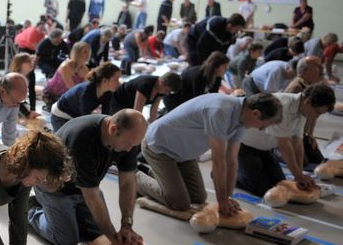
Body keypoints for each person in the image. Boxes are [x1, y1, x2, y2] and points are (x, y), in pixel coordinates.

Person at [136, 93, 281, 214]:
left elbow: (231, 161)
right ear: (256, 113)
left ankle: (156, 175)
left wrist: (228, 197)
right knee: (180, 203)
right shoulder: (220, 110)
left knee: (198, 197)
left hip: (184, 154)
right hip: (160, 147)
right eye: (264, 125)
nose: (262, 129)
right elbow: (218, 162)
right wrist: (221, 200)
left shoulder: (242, 121)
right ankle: (137, 179)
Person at [29, 109, 146, 245]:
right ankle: (30, 208)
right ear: (113, 129)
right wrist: (113, 236)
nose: (129, 150)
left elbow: (127, 182)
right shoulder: (82, 139)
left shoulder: (129, 138)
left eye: (133, 145)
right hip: (55, 188)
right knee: (66, 241)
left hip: (83, 187)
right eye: (128, 144)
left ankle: (65, 215)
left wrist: (127, 224)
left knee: (98, 234)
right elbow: (92, 197)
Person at [237, 84, 333, 196]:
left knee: (281, 185)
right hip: (243, 147)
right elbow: (284, 145)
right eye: (317, 112)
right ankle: (230, 174)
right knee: (263, 190)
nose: (316, 117)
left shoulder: (303, 111)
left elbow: (297, 144)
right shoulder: (282, 105)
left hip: (265, 150)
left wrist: (299, 175)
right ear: (308, 101)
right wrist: (298, 175)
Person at [50, 62, 121, 131]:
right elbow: (84, 119)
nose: (119, 83)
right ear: (104, 81)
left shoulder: (108, 92)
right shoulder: (87, 91)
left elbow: (105, 115)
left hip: (75, 115)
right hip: (60, 115)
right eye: (116, 79)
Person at [164, 51, 229, 111]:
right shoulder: (198, 76)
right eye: (224, 67)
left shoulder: (217, 77)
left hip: (188, 101)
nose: (226, 69)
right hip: (175, 101)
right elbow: (198, 101)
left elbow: (213, 95)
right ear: (215, 67)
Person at [111, 72, 181, 122]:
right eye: (166, 90)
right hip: (119, 99)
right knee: (120, 122)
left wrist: (153, 125)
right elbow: (137, 112)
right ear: (161, 82)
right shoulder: (145, 84)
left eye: (168, 92)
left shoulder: (161, 90)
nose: (166, 94)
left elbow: (154, 111)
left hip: (130, 103)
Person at [43, 41, 90, 107]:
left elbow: (84, 88)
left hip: (67, 96)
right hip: (52, 95)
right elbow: (72, 89)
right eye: (85, 52)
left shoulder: (85, 68)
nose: (88, 55)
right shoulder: (66, 66)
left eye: (88, 52)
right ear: (77, 53)